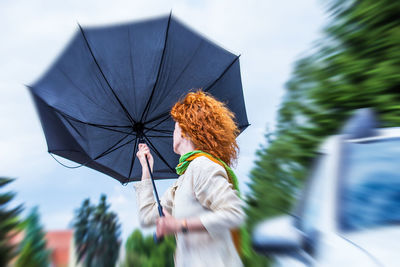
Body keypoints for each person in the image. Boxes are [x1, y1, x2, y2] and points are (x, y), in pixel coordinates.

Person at [134, 90, 245, 267]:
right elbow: (148, 217)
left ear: (186, 130)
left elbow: (234, 213)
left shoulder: (202, 167)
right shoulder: (181, 182)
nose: (173, 132)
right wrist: (146, 169)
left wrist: (179, 225)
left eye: (176, 126)